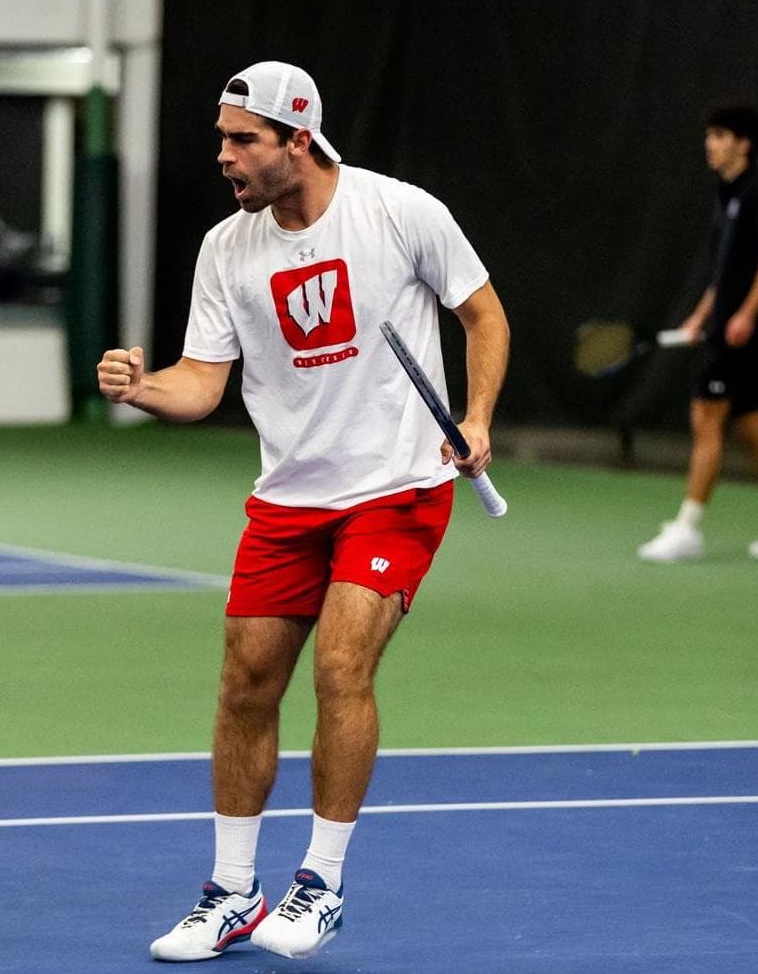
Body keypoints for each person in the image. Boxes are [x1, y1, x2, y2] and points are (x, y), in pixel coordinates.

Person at [97, 60, 509, 962]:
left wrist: (474, 416)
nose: (223, 156)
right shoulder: (225, 248)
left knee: (338, 668)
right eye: (220, 139)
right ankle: (231, 893)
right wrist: (141, 387)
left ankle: (319, 883)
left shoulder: (399, 212)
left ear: (297, 139)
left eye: (240, 140)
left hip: (395, 488)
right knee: (245, 683)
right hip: (287, 496)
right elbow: (202, 386)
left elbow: (482, 315)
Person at [638, 105, 758, 563]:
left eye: (720, 135)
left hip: (744, 332)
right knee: (753, 426)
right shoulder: (727, 194)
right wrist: (700, 317)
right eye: (710, 135)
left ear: (743, 144)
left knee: (705, 415)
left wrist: (744, 315)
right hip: (726, 326)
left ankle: (687, 528)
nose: (710, 143)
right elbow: (722, 274)